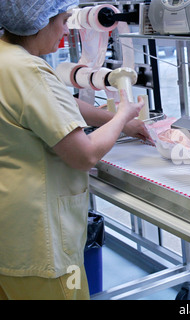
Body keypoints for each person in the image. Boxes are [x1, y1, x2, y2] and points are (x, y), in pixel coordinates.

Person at [0, 0, 151, 300]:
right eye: (63, 20)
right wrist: (123, 114)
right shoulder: (29, 71)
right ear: (40, 21)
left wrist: (122, 124)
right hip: (39, 245)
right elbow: (85, 155)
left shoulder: (7, 58)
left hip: (9, 231)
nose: (65, 31)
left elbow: (59, 103)